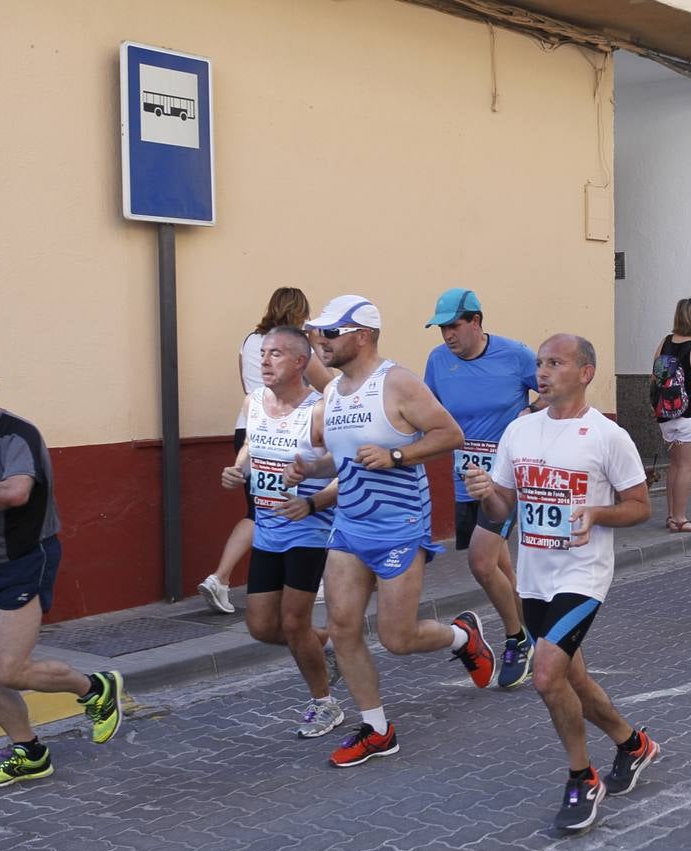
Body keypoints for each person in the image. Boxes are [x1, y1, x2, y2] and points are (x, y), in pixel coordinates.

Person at [286, 295, 494, 768]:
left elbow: (450, 434)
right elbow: (340, 459)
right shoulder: (333, 392)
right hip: (349, 527)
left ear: (362, 336)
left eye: (330, 333)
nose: (322, 341)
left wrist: (397, 456)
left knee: (397, 638)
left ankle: (463, 637)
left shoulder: (397, 383)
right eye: (319, 333)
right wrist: (311, 468)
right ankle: (376, 728)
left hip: (399, 526)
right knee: (343, 628)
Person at [464, 334, 657, 833]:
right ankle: (632, 744)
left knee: (547, 675)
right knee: (572, 678)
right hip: (534, 577)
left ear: (585, 373)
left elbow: (640, 506)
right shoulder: (519, 431)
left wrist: (597, 512)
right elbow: (505, 509)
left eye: (555, 363)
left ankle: (581, 777)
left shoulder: (606, 436)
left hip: (583, 574)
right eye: (539, 364)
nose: (543, 373)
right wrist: (487, 494)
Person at [0, 353, 123, 788]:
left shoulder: (17, 435)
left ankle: (94, 688)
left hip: (23, 560)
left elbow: (16, 492)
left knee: (10, 669)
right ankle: (29, 751)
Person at [220, 326, 342, 738]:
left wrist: (312, 501)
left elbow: (348, 474)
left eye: (276, 354)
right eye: (264, 352)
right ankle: (330, 646)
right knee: (261, 627)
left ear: (300, 362)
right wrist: (240, 468)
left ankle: (324, 703)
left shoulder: (320, 411)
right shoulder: (254, 401)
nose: (265, 360)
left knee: (293, 623)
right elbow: (253, 443)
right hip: (269, 528)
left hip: (309, 529)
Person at [423, 288, 539, 689]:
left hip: (506, 480)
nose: (447, 336)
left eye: (454, 326)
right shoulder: (438, 362)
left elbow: (556, 389)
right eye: (442, 328)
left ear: (476, 321)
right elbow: (428, 412)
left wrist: (531, 411)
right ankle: (533, 631)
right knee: (501, 563)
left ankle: (516, 639)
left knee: (482, 562)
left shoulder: (516, 355)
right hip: (464, 479)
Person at [200, 288, 332, 615]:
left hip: (251, 423)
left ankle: (225, 577)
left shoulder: (248, 341)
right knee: (262, 510)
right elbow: (331, 388)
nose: (267, 361)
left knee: (262, 510)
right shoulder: (302, 351)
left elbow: (247, 385)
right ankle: (225, 576)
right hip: (270, 423)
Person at [649, 297, 691, 534]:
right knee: (686, 468)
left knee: (674, 467)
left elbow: (654, 377)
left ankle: (671, 515)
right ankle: (681, 518)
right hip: (690, 417)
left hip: (666, 415)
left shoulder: (664, 342)